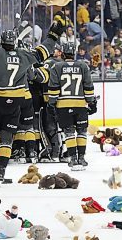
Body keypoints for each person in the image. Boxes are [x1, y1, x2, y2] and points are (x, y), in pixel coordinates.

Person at [0, 16, 65, 186]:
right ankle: (1, 174)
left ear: (2, 42)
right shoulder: (24, 55)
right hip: (15, 103)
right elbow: (42, 52)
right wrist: (53, 36)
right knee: (7, 139)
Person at [48, 42, 96, 171]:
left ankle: (73, 159)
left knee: (68, 132)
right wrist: (90, 101)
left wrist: (51, 103)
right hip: (80, 104)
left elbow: (54, 88)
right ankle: (81, 158)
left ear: (63, 53)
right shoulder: (83, 66)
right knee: (81, 131)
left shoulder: (56, 67)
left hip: (63, 105)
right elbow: (88, 85)